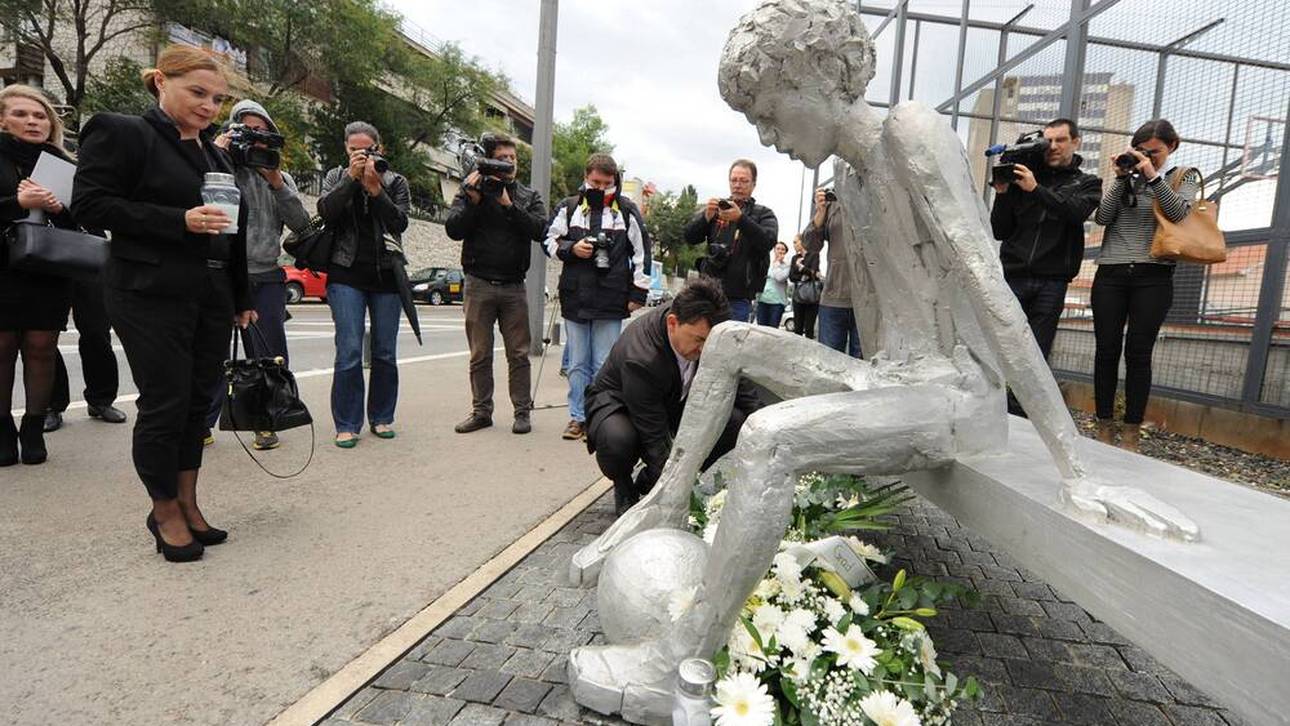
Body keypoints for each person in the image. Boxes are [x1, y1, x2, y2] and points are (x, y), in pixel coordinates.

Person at [71, 46, 256, 562]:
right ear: (160, 82)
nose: (208, 106)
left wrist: (241, 296)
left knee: (200, 404)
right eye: (197, 92)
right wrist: (178, 221)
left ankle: (189, 502)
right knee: (166, 402)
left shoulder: (216, 154)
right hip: (148, 291)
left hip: (211, 294)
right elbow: (90, 205)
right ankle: (164, 510)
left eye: (217, 98)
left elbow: (231, 231)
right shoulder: (122, 131)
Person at [583, 277, 761, 515]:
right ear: (672, 323)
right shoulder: (642, 356)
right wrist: (669, 488)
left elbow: (745, 392)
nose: (704, 350)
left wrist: (767, 430)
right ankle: (624, 485)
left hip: (673, 403)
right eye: (698, 340)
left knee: (736, 420)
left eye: (710, 342)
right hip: (622, 407)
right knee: (618, 440)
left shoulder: (711, 339)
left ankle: (664, 478)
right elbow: (653, 434)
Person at [202, 99, 311, 451]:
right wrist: (215, 156)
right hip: (216, 273)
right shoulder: (216, 164)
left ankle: (266, 422)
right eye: (247, 130)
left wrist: (277, 182)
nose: (256, 138)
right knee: (211, 352)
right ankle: (202, 422)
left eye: (263, 131)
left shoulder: (279, 175)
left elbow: (300, 225)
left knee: (268, 354)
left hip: (265, 274)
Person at [1092, 119, 1197, 452]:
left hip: (1154, 275)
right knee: (1106, 349)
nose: (1148, 157)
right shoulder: (1128, 179)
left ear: (1172, 147)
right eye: (1142, 152)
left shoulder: (1185, 176)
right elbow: (1103, 218)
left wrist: (1152, 175)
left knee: (1139, 352)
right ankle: (1104, 423)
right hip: (1111, 272)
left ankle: (1132, 429)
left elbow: (1179, 213)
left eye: (1156, 152)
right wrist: (1121, 180)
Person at [990, 117, 1101, 416]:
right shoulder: (1023, 177)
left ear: (1076, 142)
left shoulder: (1087, 183)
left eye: (1060, 140)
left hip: (1052, 281)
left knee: (1036, 351)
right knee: (1003, 345)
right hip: (1014, 275)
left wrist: (1035, 189)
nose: (1052, 147)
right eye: (1048, 140)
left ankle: (1023, 413)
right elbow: (1000, 230)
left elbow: (1074, 212)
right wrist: (1002, 193)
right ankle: (994, 405)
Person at [444, 132, 548, 435]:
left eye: (513, 159)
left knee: (518, 353)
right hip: (478, 283)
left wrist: (507, 204)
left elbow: (540, 230)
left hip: (515, 285)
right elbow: (453, 229)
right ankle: (481, 412)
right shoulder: (470, 188)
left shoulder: (528, 195)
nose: (509, 164)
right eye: (502, 159)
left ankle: (522, 413)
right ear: (489, 161)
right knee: (480, 353)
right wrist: (474, 202)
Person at [544, 153, 650, 441]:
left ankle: (601, 418)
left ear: (614, 180)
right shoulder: (570, 206)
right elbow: (548, 241)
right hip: (575, 295)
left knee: (604, 363)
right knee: (577, 362)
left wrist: (638, 292)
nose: (601, 187)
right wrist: (572, 248)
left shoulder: (626, 210)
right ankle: (577, 417)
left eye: (606, 182)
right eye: (595, 181)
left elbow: (642, 254)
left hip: (611, 298)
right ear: (586, 177)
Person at [317, 122, 411, 448]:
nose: (362, 155)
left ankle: (382, 416)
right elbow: (325, 213)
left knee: (385, 351)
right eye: (355, 150)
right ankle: (347, 423)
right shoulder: (334, 177)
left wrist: (376, 189)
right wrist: (350, 181)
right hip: (345, 272)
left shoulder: (395, 180)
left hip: (387, 275)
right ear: (346, 149)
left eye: (368, 150)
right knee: (350, 350)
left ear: (379, 148)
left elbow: (400, 222)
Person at [0, 84, 78, 466]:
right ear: (2, 119)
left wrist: (59, 207)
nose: (32, 121)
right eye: (21, 114)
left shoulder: (63, 162)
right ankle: (2, 430)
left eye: (40, 115)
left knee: (41, 349)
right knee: (1, 350)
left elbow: (87, 218)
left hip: (48, 267)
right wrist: (18, 202)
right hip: (3, 268)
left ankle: (33, 427)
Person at [683, 159, 778, 323]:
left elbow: (767, 242)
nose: (738, 185)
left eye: (743, 181)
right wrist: (705, 217)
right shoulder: (717, 208)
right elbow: (689, 237)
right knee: (700, 343)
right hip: (708, 292)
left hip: (739, 296)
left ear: (754, 184)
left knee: (731, 346)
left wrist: (741, 219)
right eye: (734, 180)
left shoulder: (763, 213)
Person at [46, 282, 127, 431]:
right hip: (47, 267)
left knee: (97, 330)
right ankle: (52, 404)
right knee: (45, 335)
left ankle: (101, 399)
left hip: (88, 266)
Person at [803, 187, 862, 356]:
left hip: (869, 300)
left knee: (864, 367)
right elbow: (810, 245)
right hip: (834, 298)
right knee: (829, 364)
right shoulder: (832, 202)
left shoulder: (876, 192)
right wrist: (820, 212)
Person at [787, 235, 820, 338]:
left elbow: (813, 273)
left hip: (812, 296)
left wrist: (801, 267)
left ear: (802, 242)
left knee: (809, 329)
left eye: (796, 242)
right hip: (798, 296)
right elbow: (792, 277)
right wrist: (804, 276)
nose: (794, 245)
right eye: (793, 242)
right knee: (798, 328)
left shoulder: (814, 255)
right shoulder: (794, 258)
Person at [753, 240, 790, 327]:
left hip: (777, 302)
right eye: (778, 249)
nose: (780, 251)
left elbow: (779, 277)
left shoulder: (787, 266)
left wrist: (777, 263)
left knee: (772, 329)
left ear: (785, 252)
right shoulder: (768, 263)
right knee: (761, 328)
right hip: (763, 300)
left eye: (783, 249)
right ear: (774, 250)